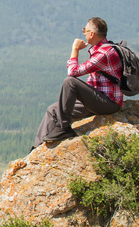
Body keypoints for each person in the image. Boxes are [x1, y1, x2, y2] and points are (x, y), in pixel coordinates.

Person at [33, 17, 123, 147]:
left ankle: (64, 128)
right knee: (53, 110)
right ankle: (37, 148)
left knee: (70, 82)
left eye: (84, 30)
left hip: (108, 103)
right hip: (98, 100)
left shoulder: (104, 53)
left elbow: (73, 72)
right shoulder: (102, 50)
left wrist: (75, 49)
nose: (83, 33)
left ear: (91, 34)